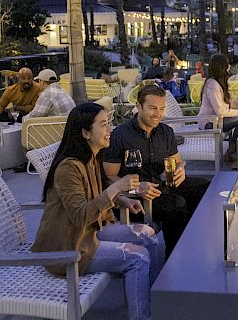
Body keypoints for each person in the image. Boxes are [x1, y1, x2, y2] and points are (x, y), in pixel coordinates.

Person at [32, 103, 161, 320]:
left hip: (89, 233)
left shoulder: (91, 158)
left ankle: (155, 299)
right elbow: (81, 215)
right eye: (104, 124)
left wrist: (121, 200)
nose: (110, 128)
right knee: (137, 258)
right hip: (68, 248)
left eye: (109, 123)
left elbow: (94, 196)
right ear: (85, 132)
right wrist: (116, 188)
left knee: (148, 235)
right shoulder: (68, 168)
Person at [104, 84, 209, 258]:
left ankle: (191, 241)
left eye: (161, 109)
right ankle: (174, 257)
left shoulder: (165, 132)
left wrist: (180, 170)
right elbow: (109, 177)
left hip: (164, 185)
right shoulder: (121, 135)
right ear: (138, 106)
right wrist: (136, 188)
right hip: (135, 198)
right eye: (152, 108)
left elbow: (177, 162)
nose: (158, 114)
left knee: (205, 188)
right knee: (177, 204)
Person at [198, 53, 238, 164]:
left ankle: (232, 151)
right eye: (227, 64)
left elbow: (223, 104)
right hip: (209, 123)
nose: (229, 67)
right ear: (221, 66)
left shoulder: (217, 83)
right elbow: (220, 111)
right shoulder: (212, 85)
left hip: (216, 120)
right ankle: (232, 152)